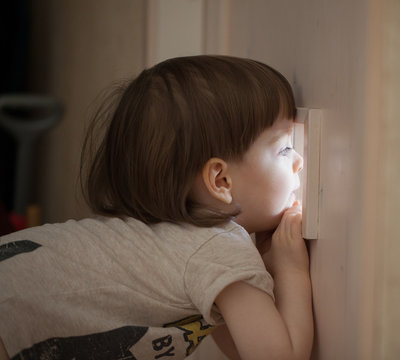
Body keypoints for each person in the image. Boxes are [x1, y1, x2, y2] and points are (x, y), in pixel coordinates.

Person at [0, 55, 312, 360]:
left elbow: (240, 342)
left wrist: (262, 265)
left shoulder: (178, 241)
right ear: (221, 180)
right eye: (284, 148)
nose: (299, 161)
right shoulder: (219, 245)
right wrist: (292, 270)